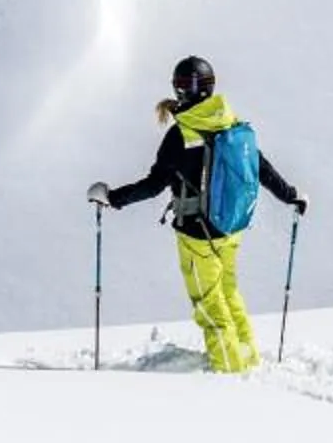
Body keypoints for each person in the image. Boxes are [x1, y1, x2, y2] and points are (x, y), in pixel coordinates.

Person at [88, 55, 305, 373]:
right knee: (228, 293)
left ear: (179, 90)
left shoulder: (181, 135)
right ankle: (247, 358)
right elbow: (260, 167)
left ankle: (230, 371)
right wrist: (291, 195)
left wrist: (112, 198)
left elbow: (154, 185)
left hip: (197, 235)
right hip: (230, 227)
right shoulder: (229, 122)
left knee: (209, 303)